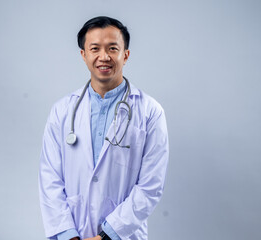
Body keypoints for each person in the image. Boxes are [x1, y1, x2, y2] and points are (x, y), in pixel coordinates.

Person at [39, 16, 169, 240]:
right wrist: (68, 235)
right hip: (72, 235)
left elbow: (150, 186)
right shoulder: (61, 111)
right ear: (84, 55)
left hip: (122, 235)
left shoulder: (150, 112)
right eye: (95, 48)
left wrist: (106, 236)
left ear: (125, 55)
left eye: (112, 48)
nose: (104, 57)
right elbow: (49, 179)